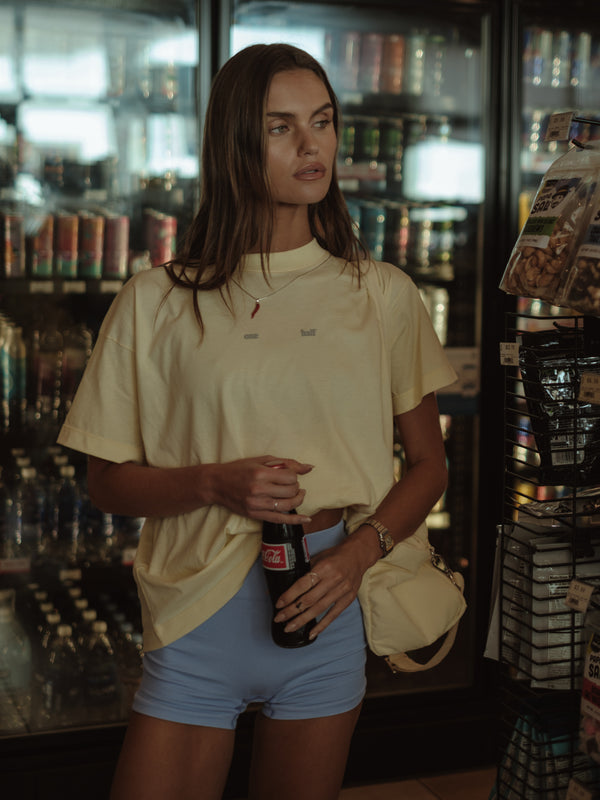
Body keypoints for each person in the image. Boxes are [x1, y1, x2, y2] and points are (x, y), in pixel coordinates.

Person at [57, 43, 457, 800]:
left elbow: (430, 467)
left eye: (324, 121)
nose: (313, 146)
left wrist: (358, 555)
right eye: (281, 127)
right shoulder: (156, 301)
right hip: (196, 614)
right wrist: (215, 482)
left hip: (329, 604)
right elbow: (106, 484)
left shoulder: (384, 295)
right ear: (236, 142)